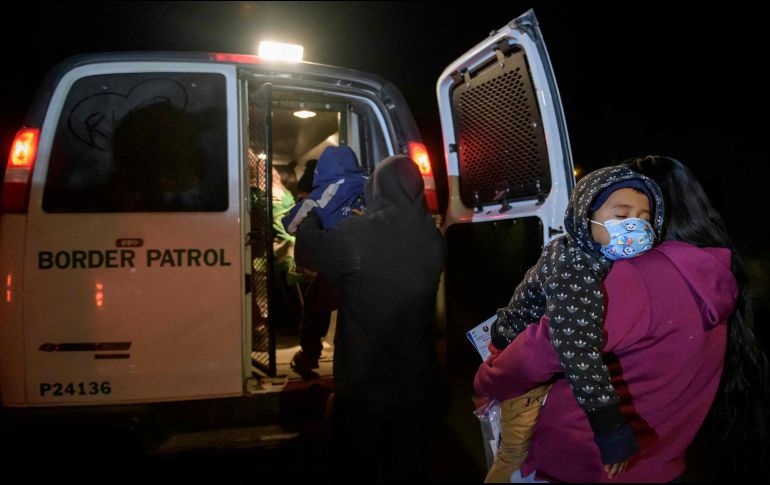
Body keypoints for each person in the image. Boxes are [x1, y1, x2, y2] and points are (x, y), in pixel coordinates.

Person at [474, 155, 763, 482]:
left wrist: (489, 377)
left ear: (660, 213)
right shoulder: (713, 277)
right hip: (662, 464)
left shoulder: (639, 278)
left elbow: (544, 349)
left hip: (589, 465)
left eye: (640, 213)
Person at [482, 166, 664, 482]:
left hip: (542, 361)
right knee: (515, 452)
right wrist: (611, 431)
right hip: (519, 368)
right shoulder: (574, 267)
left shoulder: (594, 251)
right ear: (586, 216)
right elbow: (578, 349)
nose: (635, 225)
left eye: (644, 217)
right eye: (622, 216)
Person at [295, 155, 448, 482]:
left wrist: (311, 213)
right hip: (416, 390)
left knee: (360, 469)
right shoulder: (434, 240)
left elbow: (306, 251)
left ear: (376, 189)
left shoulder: (359, 234)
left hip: (363, 390)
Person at [284, 147, 366, 376]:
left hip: (339, 264)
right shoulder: (371, 184)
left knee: (314, 303)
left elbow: (292, 223)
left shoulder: (326, 191)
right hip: (371, 263)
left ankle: (309, 357)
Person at [282, 146, 366, 234]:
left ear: (322, 166)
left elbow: (291, 224)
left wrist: (288, 221)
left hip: (337, 244)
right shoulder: (369, 182)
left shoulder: (332, 188)